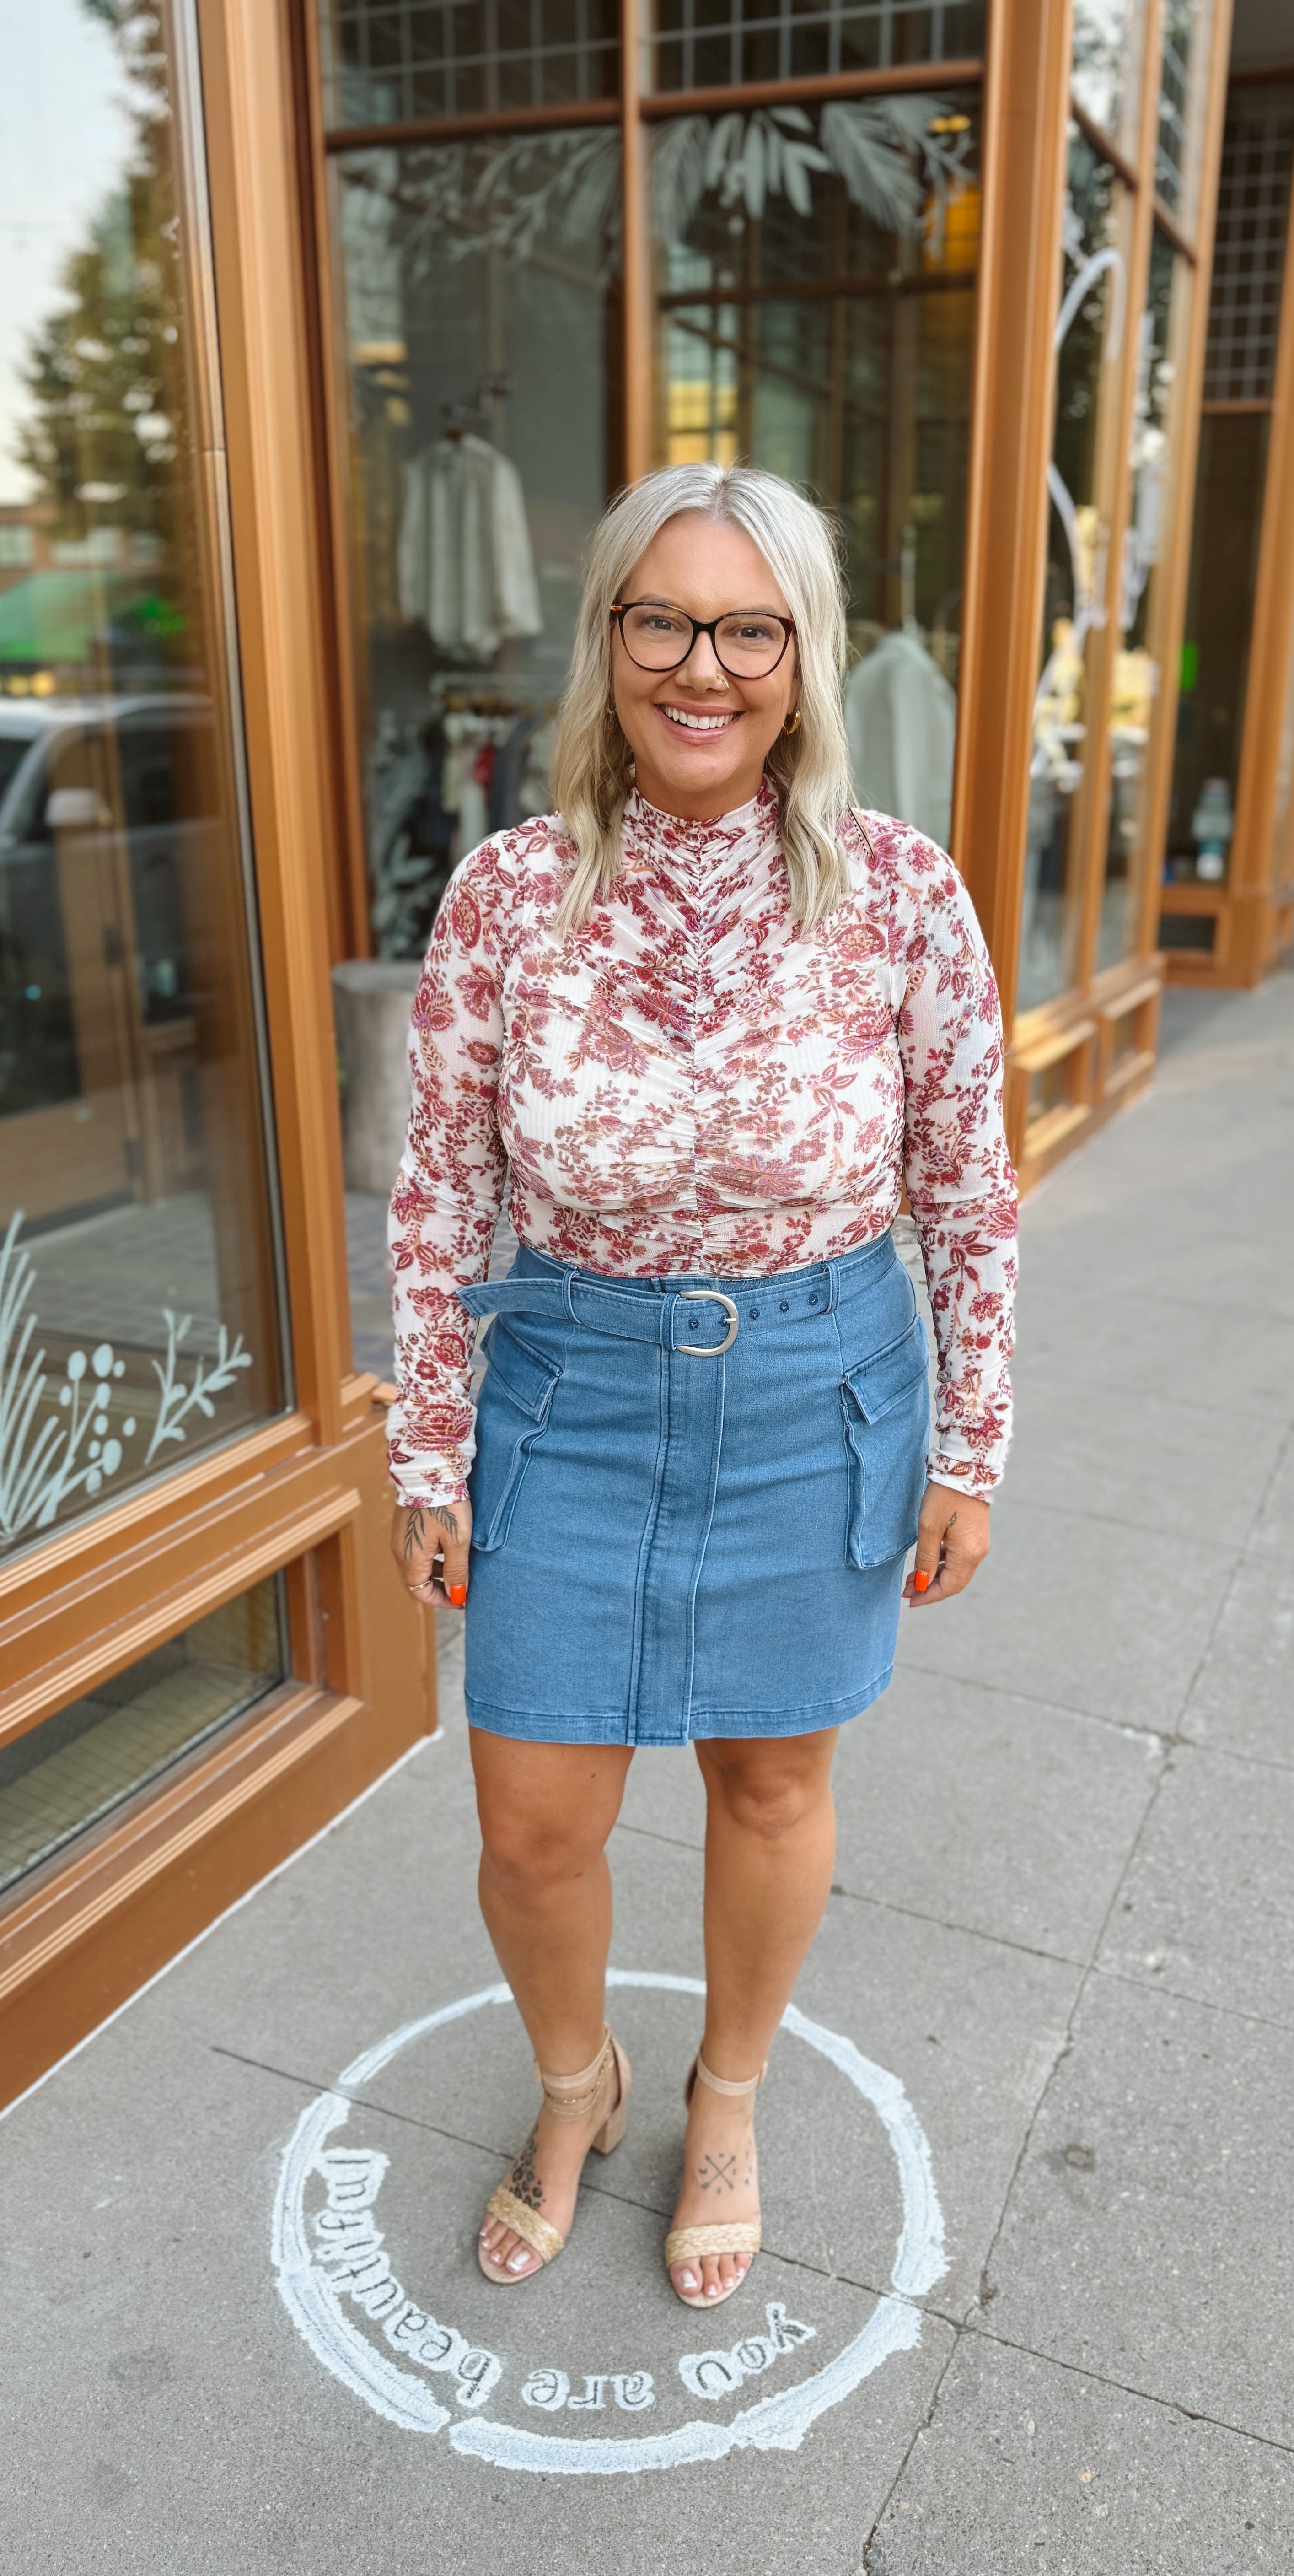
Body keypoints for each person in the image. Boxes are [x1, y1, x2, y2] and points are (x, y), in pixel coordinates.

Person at [384, 461, 1017, 2312]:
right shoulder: (508, 892)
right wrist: (429, 1448)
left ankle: (723, 2098)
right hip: (569, 1391)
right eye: (664, 620)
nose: (703, 667)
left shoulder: (901, 893)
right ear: (610, 643)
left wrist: (971, 1440)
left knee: (767, 1785)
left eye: (751, 628)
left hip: (814, 1384)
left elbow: (968, 1190)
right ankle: (577, 2087)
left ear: (804, 658)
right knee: (534, 1822)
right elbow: (440, 1193)